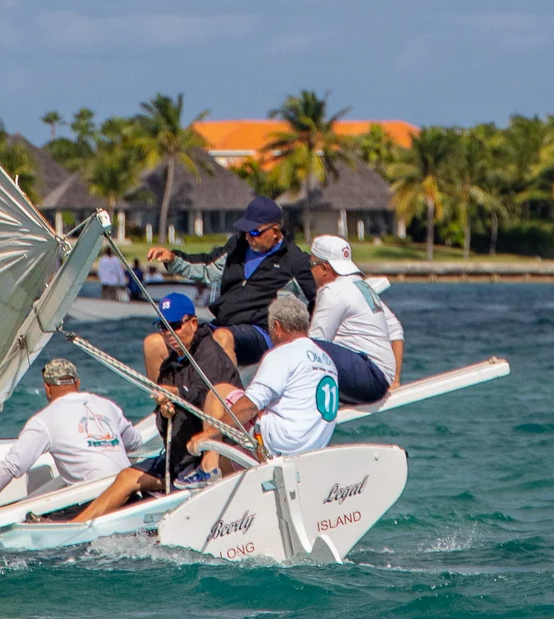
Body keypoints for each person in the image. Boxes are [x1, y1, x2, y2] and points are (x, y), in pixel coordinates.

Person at [71, 293, 240, 521]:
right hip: (180, 460)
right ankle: (77, 525)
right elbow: (164, 426)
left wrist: (178, 395)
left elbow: (205, 394)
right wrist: (164, 413)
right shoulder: (170, 366)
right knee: (127, 477)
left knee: (213, 394)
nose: (169, 333)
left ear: (192, 323)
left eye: (175, 326)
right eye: (163, 327)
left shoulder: (210, 353)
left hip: (212, 458)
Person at [144, 196, 316, 378]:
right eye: (245, 230)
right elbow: (206, 266)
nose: (248, 237)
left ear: (275, 231)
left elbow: (318, 301)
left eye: (255, 232)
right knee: (154, 343)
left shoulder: (296, 261)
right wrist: (173, 259)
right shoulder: (237, 246)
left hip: (261, 332)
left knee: (222, 338)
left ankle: (227, 402)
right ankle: (167, 404)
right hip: (223, 324)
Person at [0, 359, 143, 518]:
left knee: (37, 517)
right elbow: (135, 443)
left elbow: (12, 466)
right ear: (77, 383)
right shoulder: (107, 405)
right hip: (131, 492)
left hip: (96, 501)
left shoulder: (43, 420)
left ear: (47, 387)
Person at [186, 297, 339, 473]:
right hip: (311, 451)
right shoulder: (328, 361)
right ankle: (223, 474)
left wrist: (208, 434)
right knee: (230, 457)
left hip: (279, 446)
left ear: (277, 326)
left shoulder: (282, 354)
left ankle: (208, 468)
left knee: (218, 393)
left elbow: (249, 407)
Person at [307, 235, 405, 403]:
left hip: (368, 379)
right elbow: (396, 329)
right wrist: (395, 379)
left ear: (324, 268)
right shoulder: (363, 287)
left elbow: (314, 344)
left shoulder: (333, 291)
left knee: (303, 347)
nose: (310, 271)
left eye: (312, 265)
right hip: (382, 379)